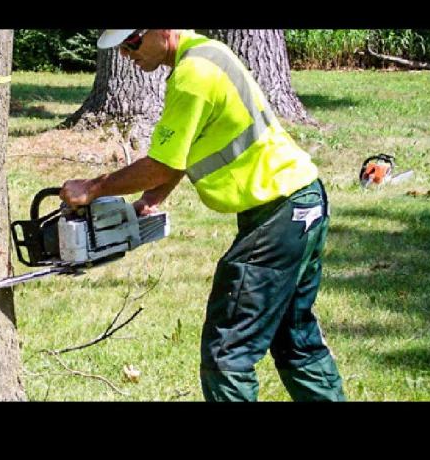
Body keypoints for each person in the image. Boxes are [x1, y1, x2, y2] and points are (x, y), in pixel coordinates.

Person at [59, 29, 346, 402]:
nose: (127, 53)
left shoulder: (192, 75)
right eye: (121, 47)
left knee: (227, 352)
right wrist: (153, 197)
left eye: (132, 42)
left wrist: (93, 188)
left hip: (278, 214)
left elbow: (162, 164)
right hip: (302, 199)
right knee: (295, 337)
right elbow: (188, 147)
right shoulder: (207, 53)